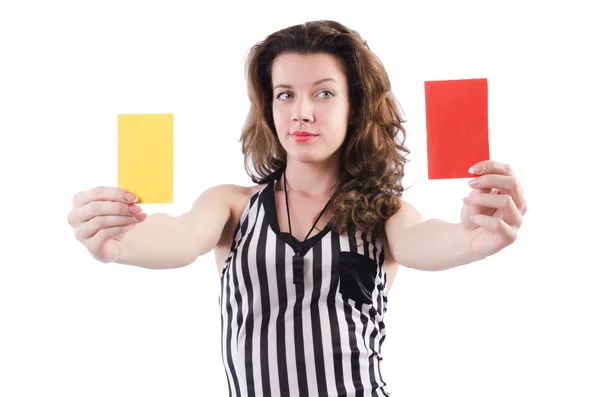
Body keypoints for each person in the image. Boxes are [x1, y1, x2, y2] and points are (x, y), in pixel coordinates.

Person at [67, 20, 527, 397]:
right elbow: (181, 238)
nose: (300, 112)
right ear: (270, 106)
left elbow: (426, 242)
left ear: (354, 108)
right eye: (285, 94)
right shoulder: (231, 206)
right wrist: (118, 241)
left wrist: (471, 240)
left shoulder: (385, 215)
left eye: (324, 94)